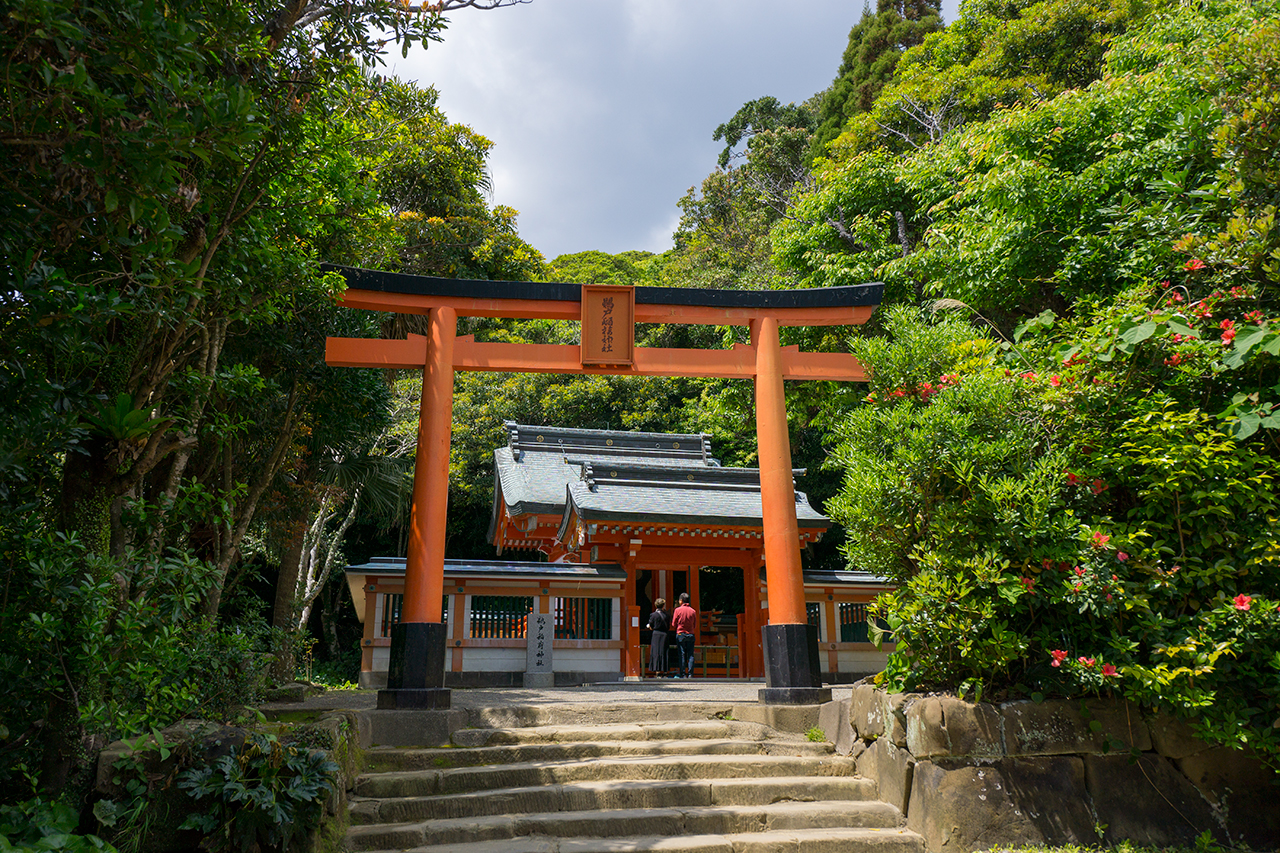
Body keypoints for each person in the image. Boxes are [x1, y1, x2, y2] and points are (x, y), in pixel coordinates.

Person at [670, 592, 697, 678]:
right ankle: (690, 673)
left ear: (681, 601)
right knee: (690, 654)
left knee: (681, 654)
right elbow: (695, 625)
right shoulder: (693, 611)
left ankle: (682, 673)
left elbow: (673, 624)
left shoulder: (677, 610)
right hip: (690, 634)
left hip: (681, 633)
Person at [647, 599, 670, 677]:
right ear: (663, 605)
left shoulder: (653, 615)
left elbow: (651, 626)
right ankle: (665, 671)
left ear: (655, 605)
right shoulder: (667, 615)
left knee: (656, 652)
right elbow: (669, 626)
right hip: (665, 634)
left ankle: (657, 671)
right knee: (664, 652)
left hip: (656, 634)